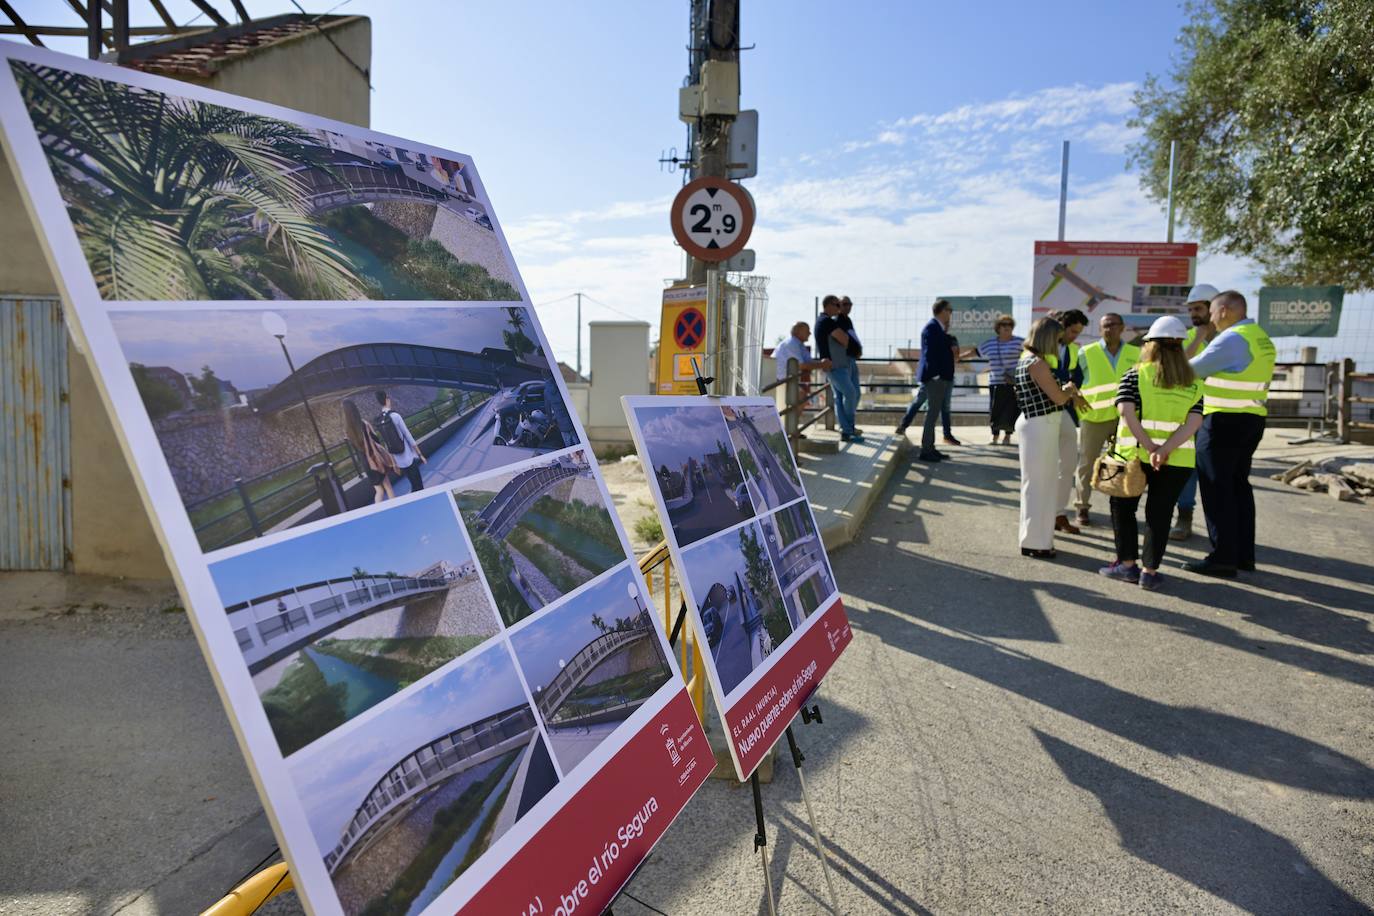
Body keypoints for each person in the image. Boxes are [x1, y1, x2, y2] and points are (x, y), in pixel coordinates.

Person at [1097, 316, 1203, 591]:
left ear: (1150, 346)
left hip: (1134, 455)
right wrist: (1165, 449)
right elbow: (1193, 423)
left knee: (1123, 508)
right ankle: (1150, 572)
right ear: (1179, 347)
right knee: (1160, 513)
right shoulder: (1193, 383)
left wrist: (1149, 446)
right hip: (1177, 459)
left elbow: (1126, 412)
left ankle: (1127, 566)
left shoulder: (1135, 374)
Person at [1183, 290, 1276, 577]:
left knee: (1217, 488)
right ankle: (1242, 556)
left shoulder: (1232, 339)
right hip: (1250, 420)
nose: (1210, 318)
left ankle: (1222, 557)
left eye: (1211, 312)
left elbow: (1191, 371)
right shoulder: (1259, 336)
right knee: (1238, 488)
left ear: (1223, 311)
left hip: (1223, 422)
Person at [1014, 316, 1079, 558]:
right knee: (1040, 486)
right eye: (1057, 339)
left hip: (1037, 425)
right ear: (1049, 338)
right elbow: (1058, 398)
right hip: (1040, 426)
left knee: (1037, 485)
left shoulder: (1028, 360)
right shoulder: (1038, 363)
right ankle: (1036, 543)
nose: (1059, 344)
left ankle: (1035, 540)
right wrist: (1070, 390)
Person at [1071, 312, 1139, 527]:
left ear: (1122, 327)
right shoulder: (1086, 352)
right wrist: (1076, 398)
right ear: (1100, 330)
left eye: (1113, 325)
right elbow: (1072, 381)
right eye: (1105, 326)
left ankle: (1120, 505)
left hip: (1124, 419)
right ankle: (1082, 507)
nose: (1109, 329)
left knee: (1123, 463)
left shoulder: (1135, 353)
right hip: (1093, 418)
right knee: (1087, 464)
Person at [1170, 283, 1220, 540]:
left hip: (1221, 414)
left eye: (1198, 308)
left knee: (1215, 474)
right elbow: (1178, 370)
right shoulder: (1188, 339)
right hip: (1190, 413)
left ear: (1214, 308)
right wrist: (1199, 336)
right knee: (1187, 468)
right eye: (1190, 310)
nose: (1193, 315)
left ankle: (1221, 528)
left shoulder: (1229, 338)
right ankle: (1184, 517)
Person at [1048, 309, 1088, 534]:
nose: (1074, 336)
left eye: (1078, 332)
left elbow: (1074, 378)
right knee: (1046, 466)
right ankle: (1047, 514)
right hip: (1043, 411)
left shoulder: (1074, 350)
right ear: (1062, 325)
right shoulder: (1043, 344)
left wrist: (1073, 391)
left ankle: (1058, 513)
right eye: (1073, 331)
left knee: (1068, 463)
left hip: (1064, 410)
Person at [905, 299, 956, 462]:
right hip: (935, 379)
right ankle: (926, 450)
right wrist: (935, 376)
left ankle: (930, 447)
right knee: (932, 414)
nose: (951, 313)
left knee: (933, 414)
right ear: (942, 311)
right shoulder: (931, 328)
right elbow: (929, 354)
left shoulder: (938, 329)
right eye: (949, 310)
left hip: (939, 378)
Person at [895, 331, 963, 445]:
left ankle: (947, 435)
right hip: (932, 377)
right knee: (920, 401)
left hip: (946, 376)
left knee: (944, 405)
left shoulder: (951, 338)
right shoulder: (933, 336)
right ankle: (903, 426)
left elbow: (955, 355)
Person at [814, 295, 863, 442]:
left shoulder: (830, 321)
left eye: (847, 304)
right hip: (835, 365)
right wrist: (850, 344)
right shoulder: (827, 321)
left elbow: (844, 339)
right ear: (829, 305)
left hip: (840, 364)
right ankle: (847, 429)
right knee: (850, 394)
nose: (840, 308)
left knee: (849, 395)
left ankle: (848, 428)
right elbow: (844, 339)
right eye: (838, 305)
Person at [977, 315, 1024, 445]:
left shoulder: (1020, 342)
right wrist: (958, 357)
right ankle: (994, 435)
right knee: (994, 409)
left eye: (1010, 324)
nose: (1007, 327)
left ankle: (1008, 436)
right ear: (998, 327)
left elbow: (1032, 353)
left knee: (1012, 409)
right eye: (1004, 324)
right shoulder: (990, 343)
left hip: (1013, 382)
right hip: (995, 382)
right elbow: (976, 352)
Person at [343, 399, 396, 504]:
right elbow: (376, 440)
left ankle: (377, 512)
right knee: (388, 487)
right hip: (375, 460)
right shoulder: (364, 424)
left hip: (365, 463)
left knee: (379, 491)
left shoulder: (347, 431)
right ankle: (396, 508)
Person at [375, 389, 426, 493]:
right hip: (408, 457)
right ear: (387, 399)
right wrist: (420, 454)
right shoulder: (395, 416)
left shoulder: (380, 420)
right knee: (418, 484)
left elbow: (386, 443)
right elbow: (408, 436)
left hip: (398, 459)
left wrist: (393, 463)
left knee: (413, 483)